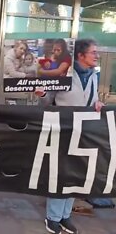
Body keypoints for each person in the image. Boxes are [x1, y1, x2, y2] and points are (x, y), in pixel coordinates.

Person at [35, 39, 103, 234]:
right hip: (63, 131)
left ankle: (65, 216)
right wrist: (41, 94)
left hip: (83, 133)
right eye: (93, 52)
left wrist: (97, 103)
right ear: (81, 56)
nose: (96, 55)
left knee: (75, 175)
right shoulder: (64, 74)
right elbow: (47, 101)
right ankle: (53, 217)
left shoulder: (92, 76)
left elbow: (92, 98)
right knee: (61, 174)